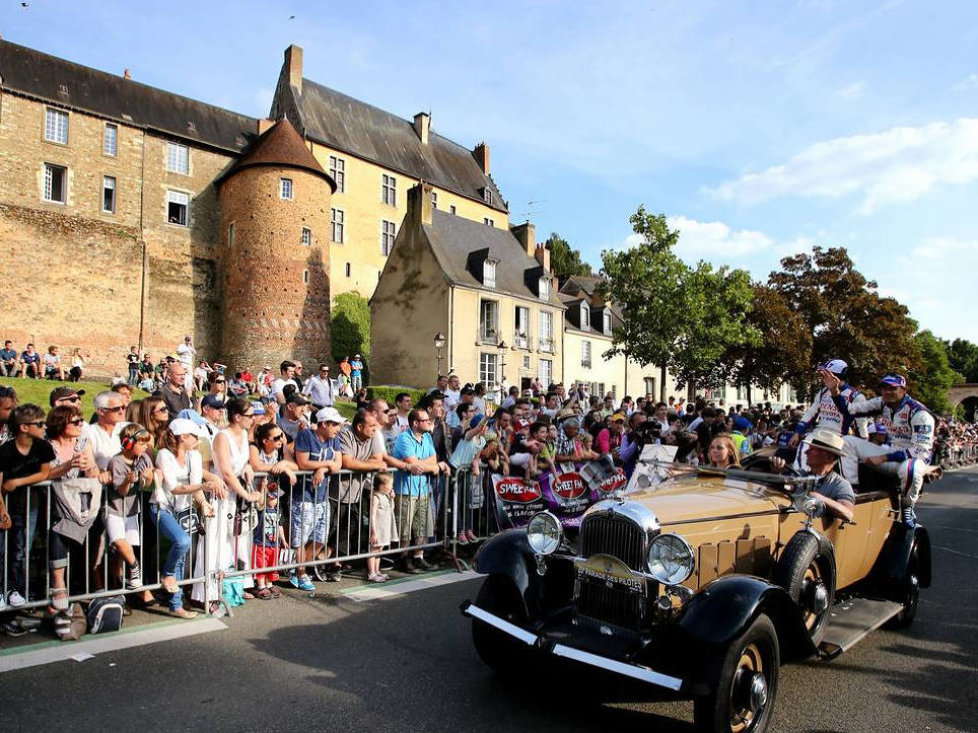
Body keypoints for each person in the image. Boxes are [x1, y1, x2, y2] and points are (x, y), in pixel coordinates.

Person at [823, 371, 939, 525]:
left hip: (913, 459)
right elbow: (849, 410)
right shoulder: (881, 402)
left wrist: (883, 458)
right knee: (847, 442)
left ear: (903, 390)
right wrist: (835, 391)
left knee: (911, 469)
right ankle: (851, 489)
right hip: (891, 452)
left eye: (892, 388)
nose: (887, 392)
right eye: (884, 388)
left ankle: (907, 506)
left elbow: (920, 452)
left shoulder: (919, 413)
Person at [156, 419, 225, 618]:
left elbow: (194, 486)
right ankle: (168, 576)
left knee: (181, 554)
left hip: (184, 508)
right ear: (183, 437)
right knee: (182, 541)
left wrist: (203, 503)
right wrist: (204, 486)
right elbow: (174, 488)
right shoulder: (164, 455)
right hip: (163, 506)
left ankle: (176, 604)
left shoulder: (194, 456)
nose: (198, 440)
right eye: (194, 436)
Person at [44, 404, 99, 614]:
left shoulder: (83, 442)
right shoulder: (47, 445)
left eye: (81, 420)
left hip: (80, 502)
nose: (80, 425)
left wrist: (92, 470)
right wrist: (68, 466)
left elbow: (92, 468)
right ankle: (58, 587)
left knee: (82, 544)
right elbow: (43, 474)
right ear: (61, 423)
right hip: (54, 503)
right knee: (58, 533)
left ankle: (76, 593)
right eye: (75, 422)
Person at [0, 404, 54, 608]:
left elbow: (44, 473)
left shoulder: (43, 447)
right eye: (39, 424)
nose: (43, 427)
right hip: (7, 505)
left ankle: (15, 588)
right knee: (2, 549)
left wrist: (18, 482)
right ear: (23, 427)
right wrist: (2, 511)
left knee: (22, 549)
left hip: (30, 506)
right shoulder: (5, 451)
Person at [209, 399, 261, 601]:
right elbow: (227, 472)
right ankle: (213, 589)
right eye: (249, 416)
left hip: (238, 496)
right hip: (223, 495)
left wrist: (248, 469)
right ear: (237, 417)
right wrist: (246, 495)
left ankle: (236, 584)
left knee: (240, 540)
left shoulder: (245, 435)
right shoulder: (223, 436)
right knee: (220, 542)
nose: (253, 419)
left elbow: (243, 464)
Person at [291, 406, 345, 591]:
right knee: (301, 538)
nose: (338, 428)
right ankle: (300, 572)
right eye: (335, 424)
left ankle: (298, 567)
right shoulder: (307, 435)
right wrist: (325, 464)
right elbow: (303, 462)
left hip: (322, 497)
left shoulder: (334, 440)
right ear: (323, 424)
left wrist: (322, 468)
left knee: (320, 539)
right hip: (304, 496)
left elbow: (337, 464)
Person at [105, 424, 157, 605]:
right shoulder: (116, 462)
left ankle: (123, 592)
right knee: (119, 543)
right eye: (141, 443)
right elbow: (121, 491)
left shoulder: (144, 458)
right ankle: (135, 570)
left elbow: (146, 485)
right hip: (115, 509)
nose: (145, 447)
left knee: (126, 551)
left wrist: (149, 476)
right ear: (128, 443)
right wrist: (127, 481)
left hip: (132, 511)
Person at [392, 408, 449, 573]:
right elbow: (413, 464)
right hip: (405, 489)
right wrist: (429, 466)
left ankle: (419, 557)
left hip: (423, 489)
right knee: (405, 528)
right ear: (415, 423)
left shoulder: (427, 438)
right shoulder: (404, 439)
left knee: (422, 527)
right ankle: (403, 558)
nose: (429, 422)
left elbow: (433, 460)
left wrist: (426, 465)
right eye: (425, 420)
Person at [772, 430, 855, 522]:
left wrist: (816, 497)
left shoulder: (840, 485)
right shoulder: (799, 475)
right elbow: (782, 488)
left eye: (812, 449)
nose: (806, 452)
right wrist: (777, 472)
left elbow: (848, 514)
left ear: (829, 457)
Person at [789, 360, 868, 451]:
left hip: (839, 440)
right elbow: (810, 414)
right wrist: (797, 432)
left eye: (825, 374)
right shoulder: (823, 392)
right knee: (802, 450)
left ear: (834, 376)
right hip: (818, 434)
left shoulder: (856, 396)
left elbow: (862, 427)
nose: (821, 377)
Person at [251, 481, 287, 599]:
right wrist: (262, 490)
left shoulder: (278, 511)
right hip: (261, 543)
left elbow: (279, 525)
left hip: (274, 543)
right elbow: (259, 503)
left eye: (276, 498)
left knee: (272, 564)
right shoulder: (261, 509)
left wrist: (283, 539)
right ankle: (261, 586)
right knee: (261, 564)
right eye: (272, 498)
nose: (275, 500)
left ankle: (269, 584)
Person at [367, 471, 396, 583]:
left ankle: (376, 570)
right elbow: (372, 515)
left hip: (384, 528)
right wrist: (373, 532)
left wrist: (392, 498)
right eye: (390, 484)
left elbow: (391, 509)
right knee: (373, 551)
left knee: (379, 550)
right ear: (382, 486)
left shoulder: (385, 496)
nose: (392, 487)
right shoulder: (375, 497)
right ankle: (371, 573)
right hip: (377, 528)